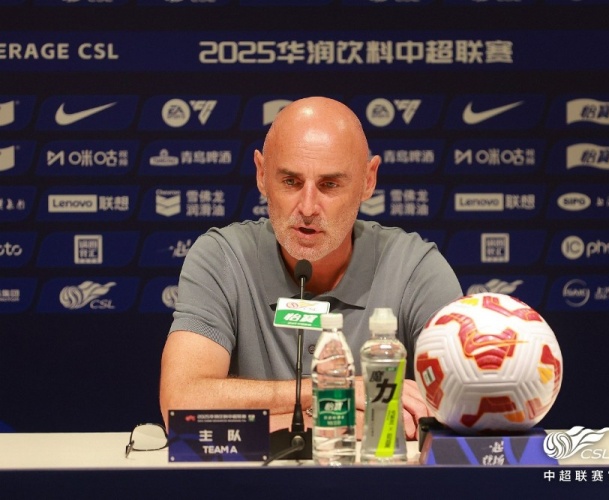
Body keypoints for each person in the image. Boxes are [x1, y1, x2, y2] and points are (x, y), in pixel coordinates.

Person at [159, 96, 462, 440]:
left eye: (329, 185)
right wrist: (333, 397)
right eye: (290, 181)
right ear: (261, 174)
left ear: (368, 180)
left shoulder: (415, 268)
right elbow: (181, 406)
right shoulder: (222, 257)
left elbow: (461, 405)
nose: (307, 208)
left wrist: (271, 420)